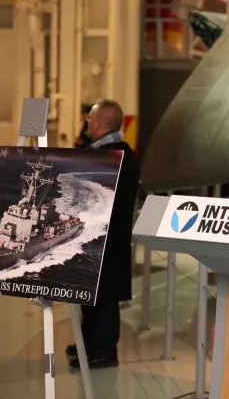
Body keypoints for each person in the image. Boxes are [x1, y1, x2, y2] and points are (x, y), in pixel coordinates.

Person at [67, 99, 140, 369]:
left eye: (89, 121)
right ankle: (89, 343)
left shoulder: (108, 157)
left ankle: (104, 351)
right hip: (108, 237)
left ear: (97, 124)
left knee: (105, 297)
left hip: (106, 238)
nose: (87, 125)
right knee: (93, 295)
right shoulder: (122, 154)